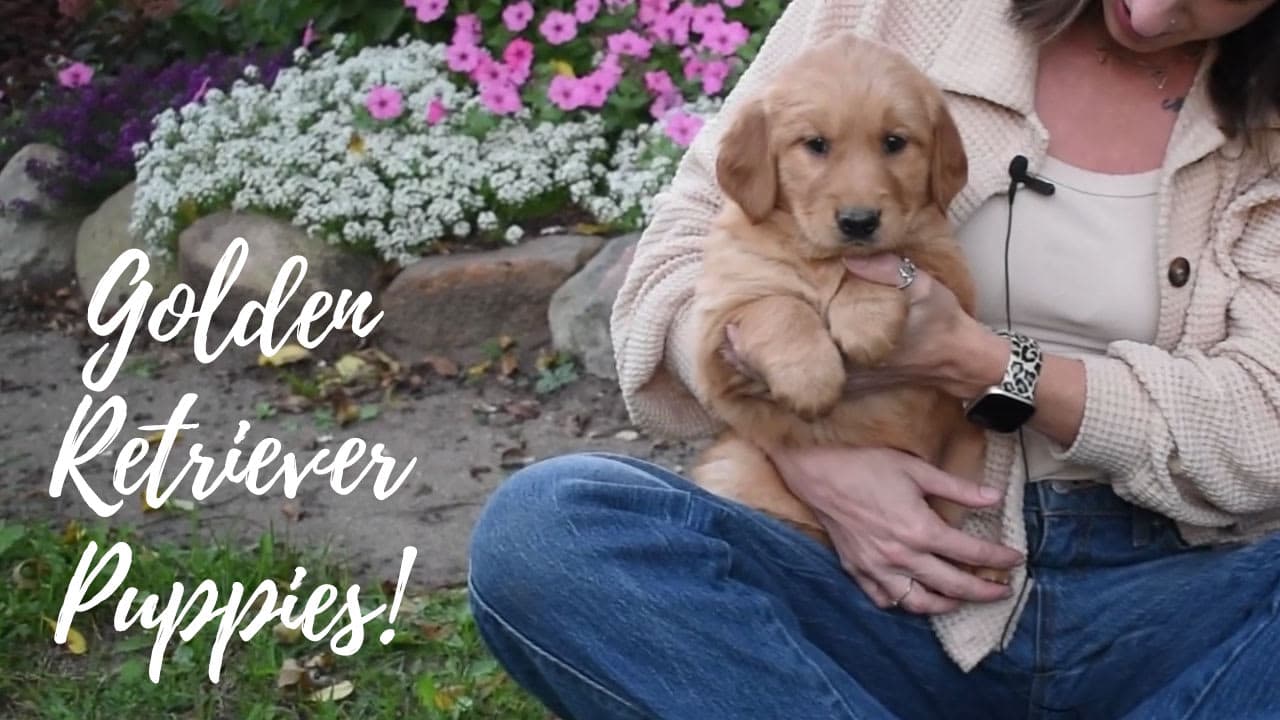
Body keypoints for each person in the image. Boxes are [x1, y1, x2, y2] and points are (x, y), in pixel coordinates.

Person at [467, 0, 1280, 717]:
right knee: (546, 529)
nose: (1150, 10)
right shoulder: (889, 11)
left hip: (1165, 595)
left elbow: (1265, 427)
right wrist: (805, 447)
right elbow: (674, 266)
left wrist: (985, 364)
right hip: (848, 581)